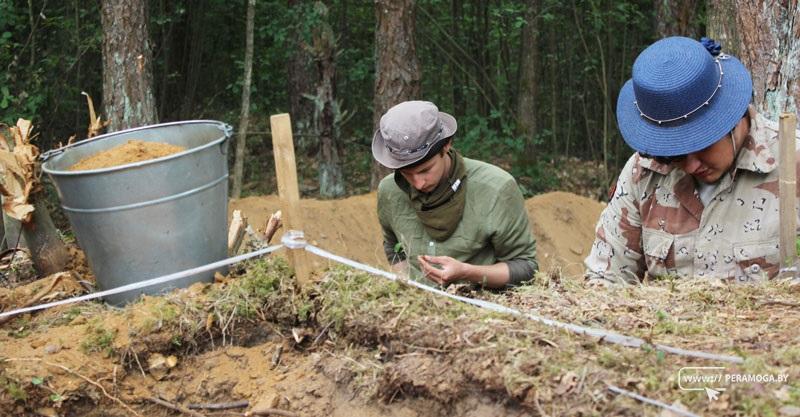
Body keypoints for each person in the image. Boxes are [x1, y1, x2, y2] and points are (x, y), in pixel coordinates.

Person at [585, 36, 800, 285]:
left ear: (731, 118)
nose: (690, 165)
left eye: (701, 145)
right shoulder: (643, 173)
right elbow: (605, 280)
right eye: (673, 154)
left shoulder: (791, 162)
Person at [372, 100, 538, 288]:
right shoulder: (389, 191)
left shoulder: (496, 189)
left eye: (425, 170)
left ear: (446, 145)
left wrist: (468, 273)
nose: (418, 183)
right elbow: (393, 247)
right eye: (407, 174)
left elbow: (526, 267)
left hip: (483, 309)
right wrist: (409, 287)